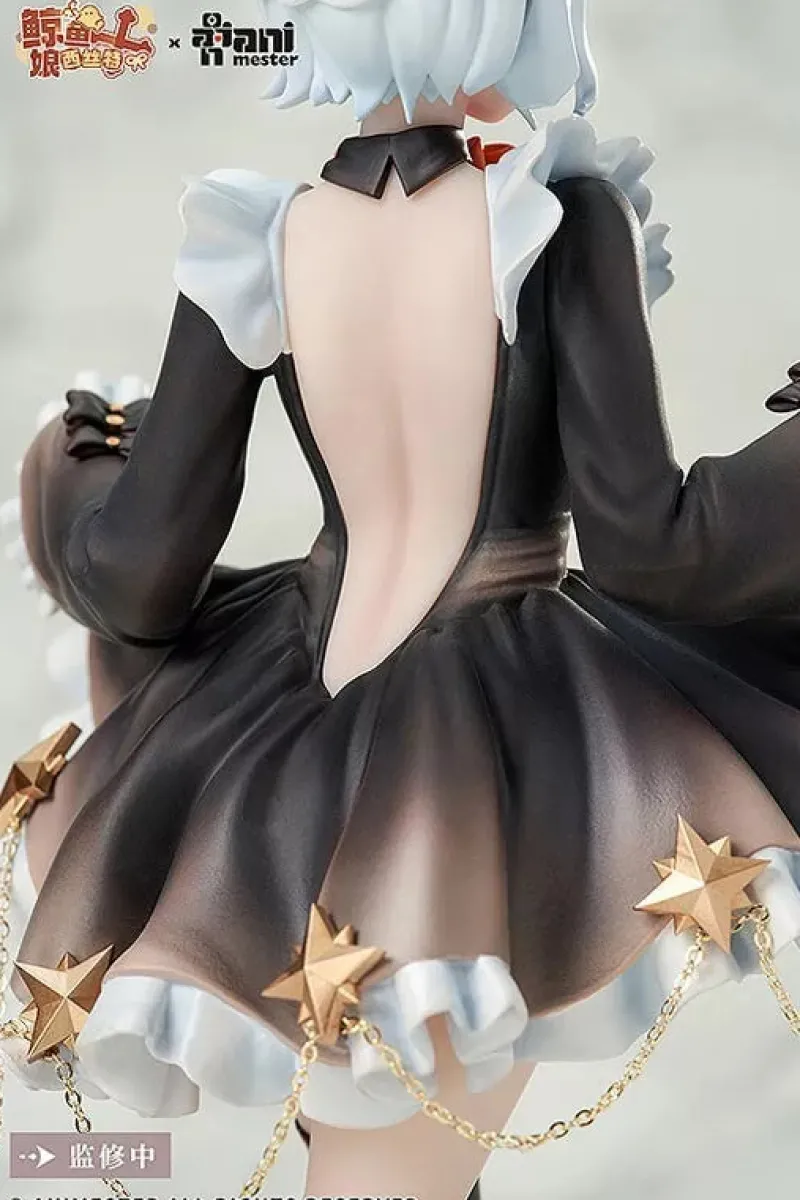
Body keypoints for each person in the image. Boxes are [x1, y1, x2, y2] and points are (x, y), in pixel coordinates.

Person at [5, 2, 800, 1197]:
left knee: (374, 1143)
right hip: (485, 763)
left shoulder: (263, 230)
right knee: (388, 1165)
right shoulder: (550, 211)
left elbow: (141, 575)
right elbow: (649, 546)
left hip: (281, 743)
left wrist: (78, 467)